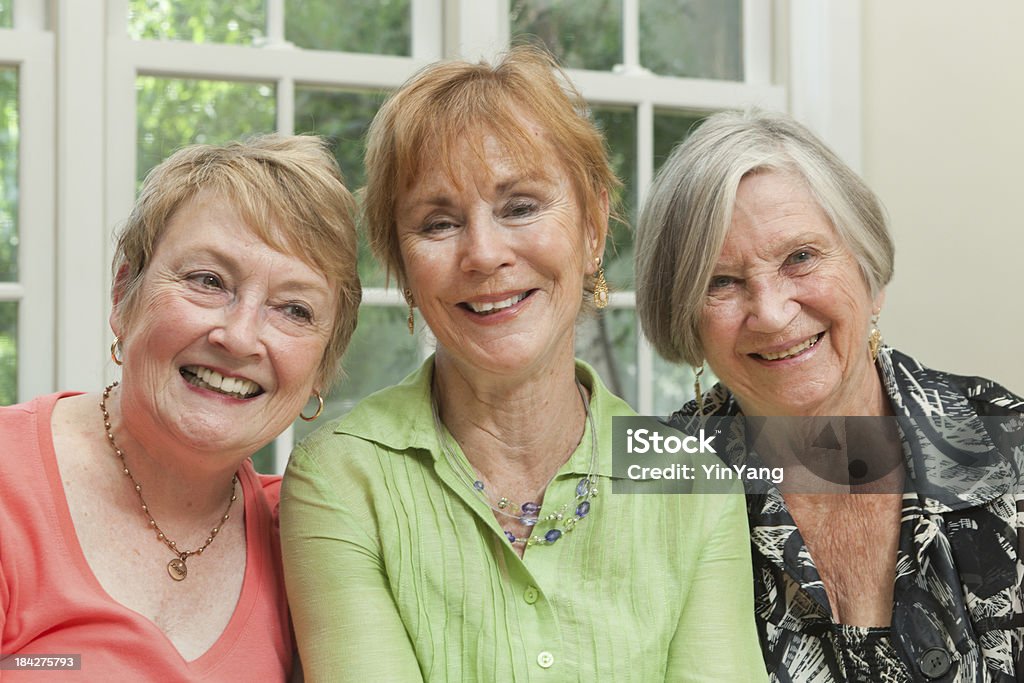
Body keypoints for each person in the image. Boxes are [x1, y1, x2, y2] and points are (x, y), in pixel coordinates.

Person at [281, 46, 766, 681]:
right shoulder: (342, 479)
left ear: (592, 227)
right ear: (400, 266)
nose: (483, 253)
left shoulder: (691, 479)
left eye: (520, 207)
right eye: (438, 222)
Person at [635, 108, 1024, 682]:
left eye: (800, 257)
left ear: (870, 275)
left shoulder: (1002, 436)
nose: (770, 313)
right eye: (721, 282)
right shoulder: (653, 476)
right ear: (684, 319)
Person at [0, 134, 361, 680]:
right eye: (208, 281)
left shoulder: (312, 536)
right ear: (125, 291)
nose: (240, 338)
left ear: (322, 370)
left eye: (294, 309)